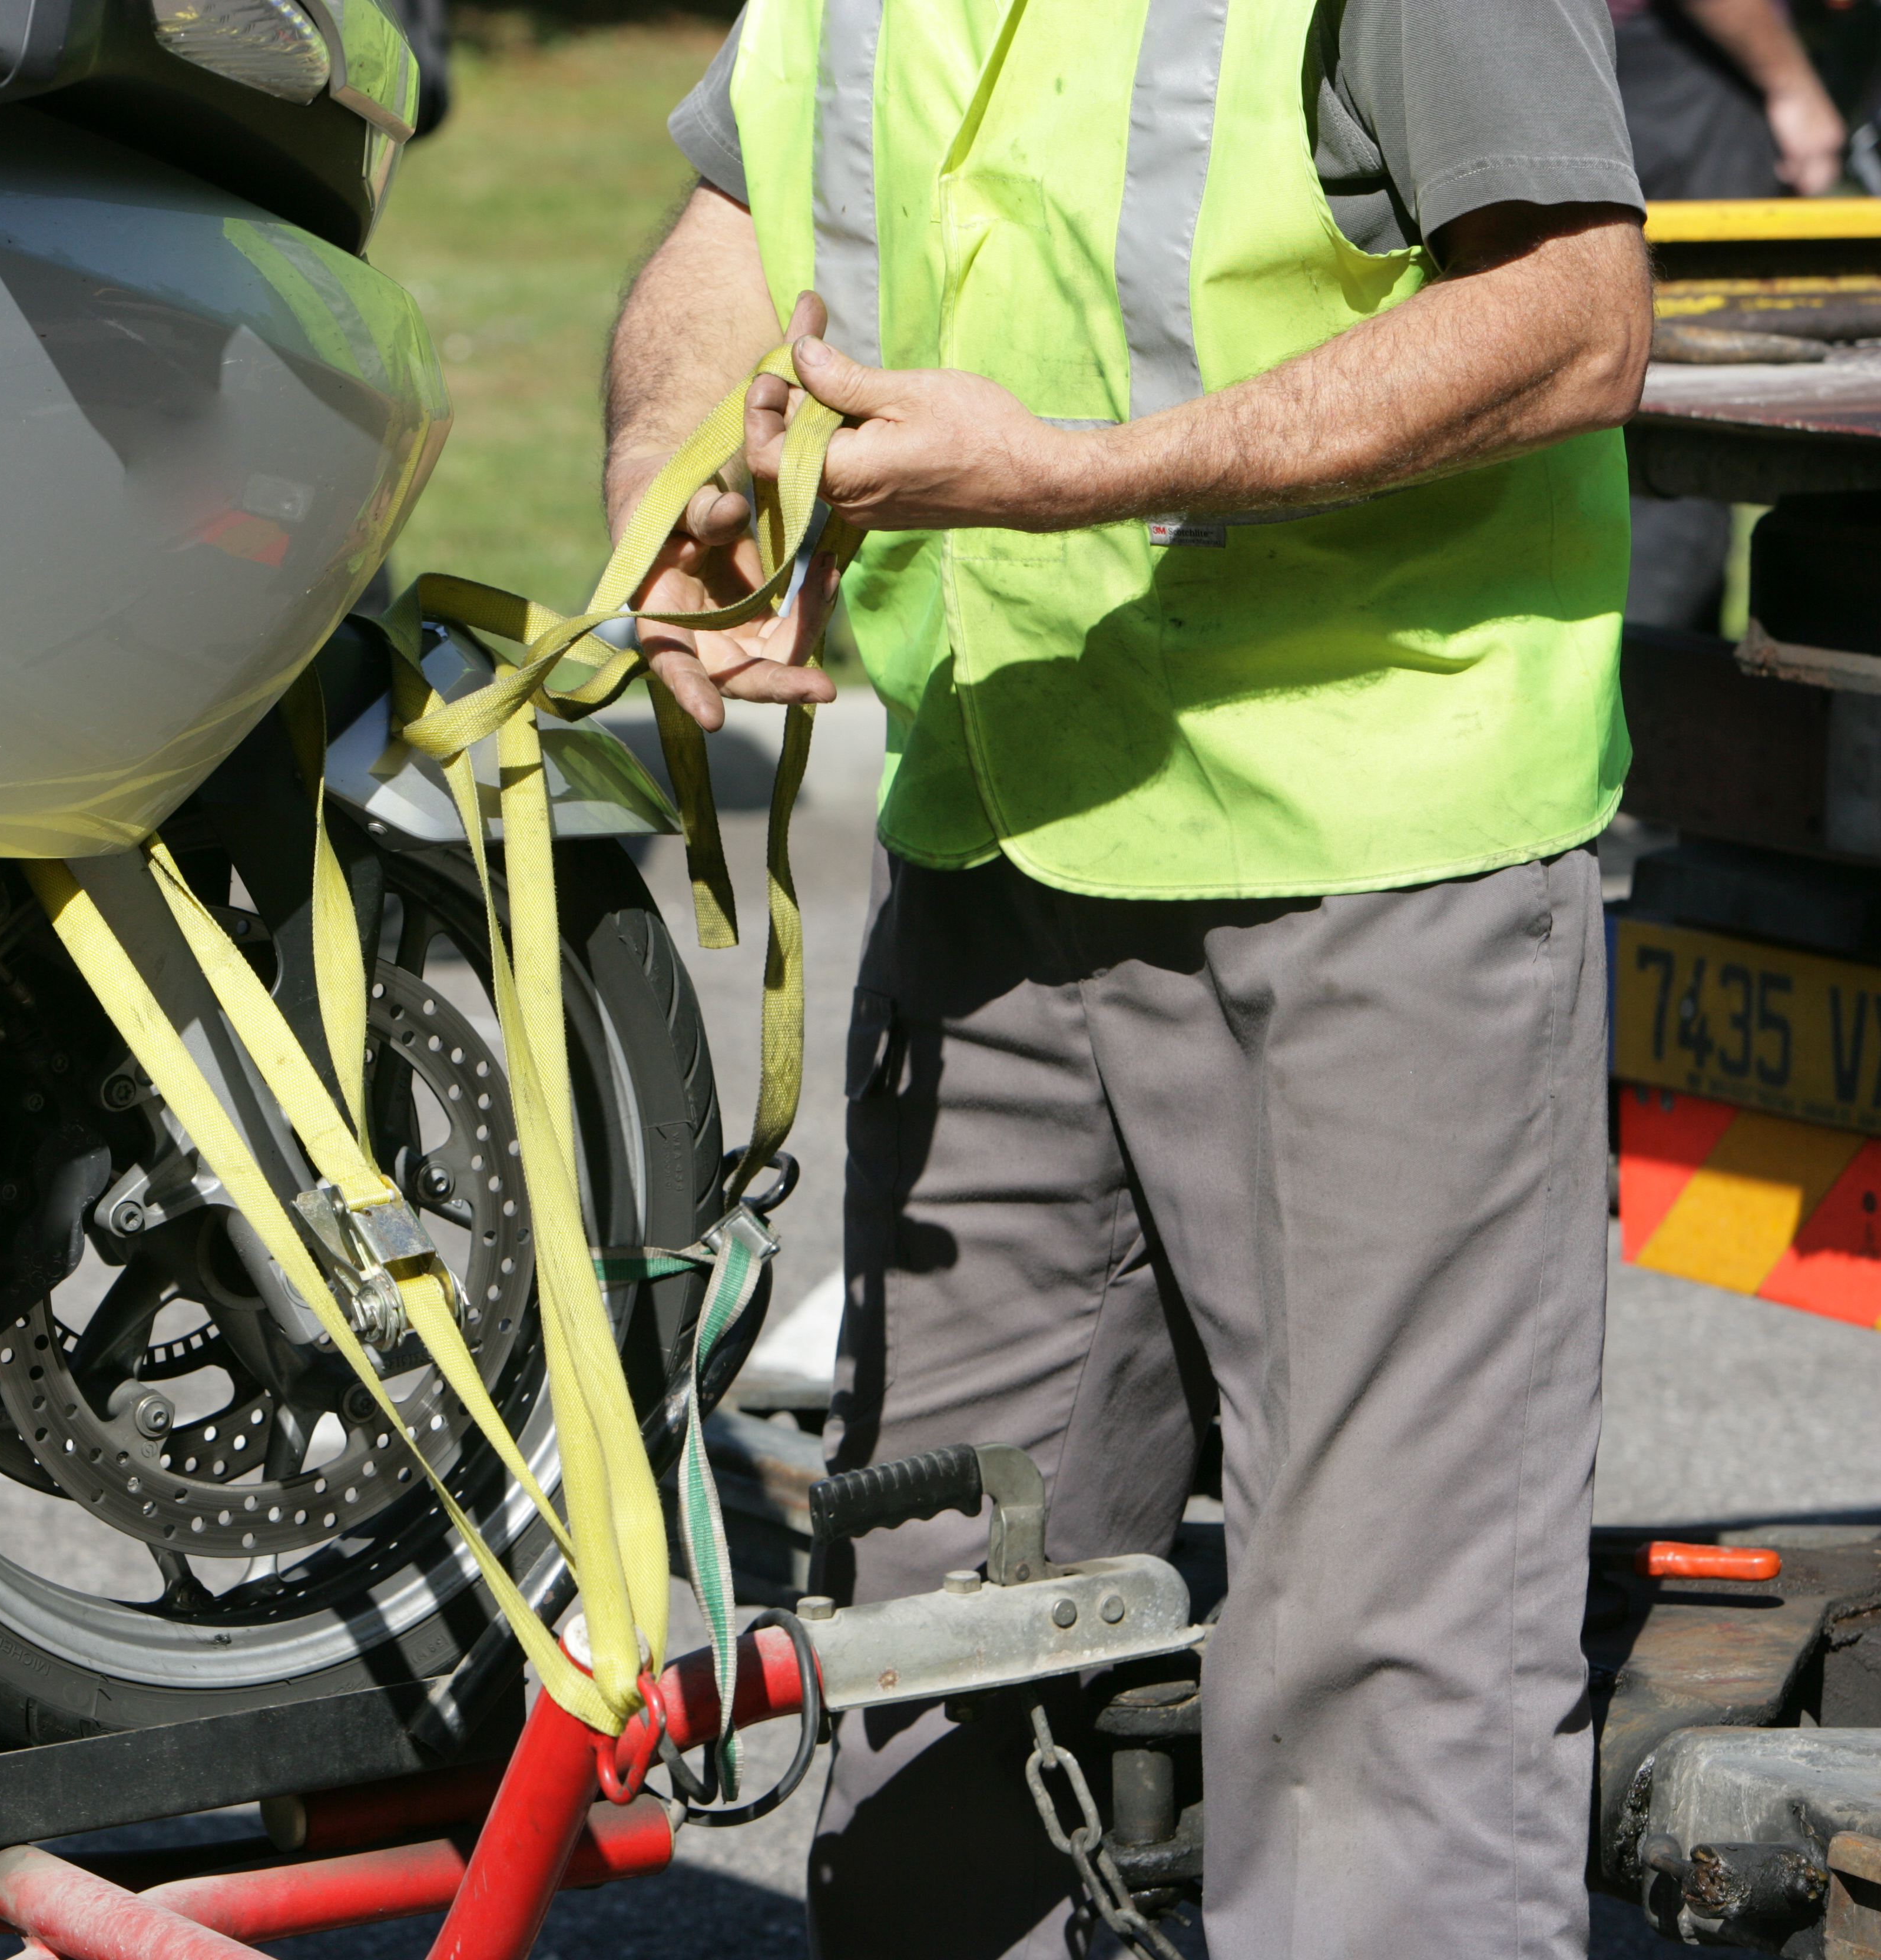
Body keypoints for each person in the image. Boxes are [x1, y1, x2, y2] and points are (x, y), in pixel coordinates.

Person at [598, 0, 1652, 1954]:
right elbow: (736, 213)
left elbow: (1574, 315)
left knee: (1372, 1680)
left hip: (1367, 847)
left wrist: (1088, 470)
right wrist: (671, 458)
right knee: (936, 1635)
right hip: (998, 840)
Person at [1616, 0, 1848, 628]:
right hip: (1682, 75)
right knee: (1670, 430)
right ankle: (1647, 683)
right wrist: (1792, 84)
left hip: (1665, 71)